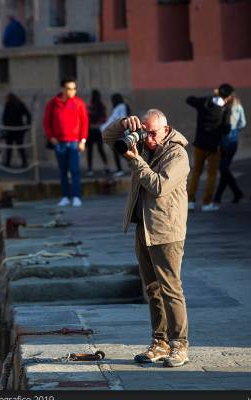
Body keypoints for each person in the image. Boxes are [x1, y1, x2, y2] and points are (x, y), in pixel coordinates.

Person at [103, 109, 190, 368]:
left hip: (166, 232)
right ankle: (159, 343)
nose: (148, 139)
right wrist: (123, 124)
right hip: (144, 228)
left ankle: (179, 347)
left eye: (153, 133)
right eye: (145, 132)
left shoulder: (178, 155)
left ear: (166, 129)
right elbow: (108, 137)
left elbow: (159, 186)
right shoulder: (145, 142)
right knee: (152, 289)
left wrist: (136, 160)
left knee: (171, 290)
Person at [186, 83, 233, 212]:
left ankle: (190, 202)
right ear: (228, 96)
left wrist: (210, 97)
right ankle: (206, 203)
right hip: (213, 147)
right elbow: (227, 129)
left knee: (196, 173)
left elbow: (189, 99)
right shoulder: (226, 109)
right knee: (211, 175)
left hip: (199, 144)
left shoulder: (204, 102)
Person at [43, 77, 88, 207]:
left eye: (74, 89)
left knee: (74, 170)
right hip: (60, 143)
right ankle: (65, 196)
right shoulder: (53, 103)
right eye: (69, 89)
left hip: (74, 142)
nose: (71, 92)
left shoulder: (79, 103)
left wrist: (83, 140)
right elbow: (46, 122)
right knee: (63, 170)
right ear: (63, 89)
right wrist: (51, 137)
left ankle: (76, 196)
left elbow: (85, 122)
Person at [212, 94, 246, 208]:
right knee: (224, 169)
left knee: (223, 168)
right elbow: (243, 123)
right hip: (232, 141)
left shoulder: (225, 107)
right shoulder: (238, 107)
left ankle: (236, 192)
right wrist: (235, 130)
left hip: (225, 141)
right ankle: (221, 197)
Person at [100, 93, 130, 177]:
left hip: (119, 133)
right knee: (119, 151)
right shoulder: (121, 107)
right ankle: (124, 167)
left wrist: (103, 128)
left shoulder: (120, 107)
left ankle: (121, 168)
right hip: (119, 132)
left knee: (119, 151)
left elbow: (118, 119)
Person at [2, 93, 32, 168]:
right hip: (18, 129)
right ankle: (24, 162)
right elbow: (28, 115)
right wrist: (27, 125)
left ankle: (8, 162)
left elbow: (4, 117)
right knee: (19, 146)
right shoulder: (19, 104)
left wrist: (5, 126)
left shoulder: (8, 105)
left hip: (11, 129)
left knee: (9, 147)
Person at [86, 90, 109, 176]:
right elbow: (104, 119)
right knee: (100, 149)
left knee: (90, 150)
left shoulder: (90, 106)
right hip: (98, 130)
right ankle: (106, 167)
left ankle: (90, 169)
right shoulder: (101, 106)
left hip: (91, 130)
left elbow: (87, 118)